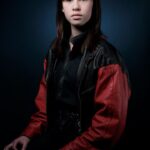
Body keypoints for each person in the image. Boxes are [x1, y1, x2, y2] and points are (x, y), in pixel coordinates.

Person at [4, 0, 131, 149]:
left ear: (94, 5)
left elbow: (106, 130)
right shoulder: (54, 52)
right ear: (61, 7)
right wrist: (27, 135)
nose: (76, 6)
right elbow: (44, 109)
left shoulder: (108, 59)